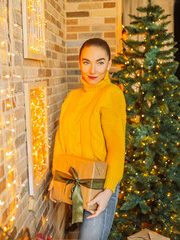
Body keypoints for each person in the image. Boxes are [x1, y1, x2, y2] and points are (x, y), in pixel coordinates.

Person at [48, 38, 126, 240]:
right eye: (86, 62)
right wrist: (57, 177)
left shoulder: (112, 94)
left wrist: (108, 191)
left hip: (102, 184)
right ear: (79, 63)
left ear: (109, 64)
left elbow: (117, 148)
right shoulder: (72, 97)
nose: (93, 70)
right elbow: (61, 140)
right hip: (76, 180)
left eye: (100, 62)